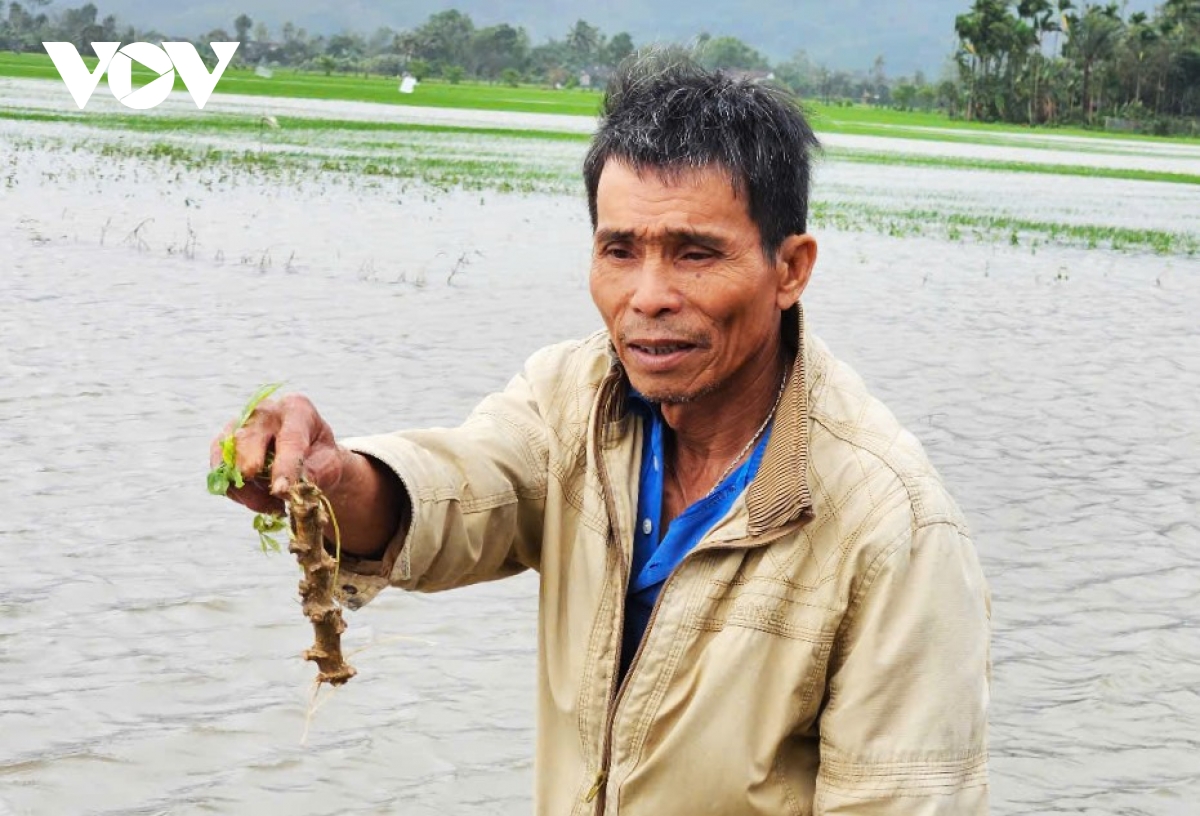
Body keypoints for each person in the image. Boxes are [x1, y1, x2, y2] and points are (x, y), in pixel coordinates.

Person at [212, 51, 991, 815]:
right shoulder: (574, 398)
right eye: (620, 251)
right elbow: (468, 491)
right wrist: (336, 477)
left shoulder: (893, 531)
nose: (647, 297)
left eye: (695, 254)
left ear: (789, 269)